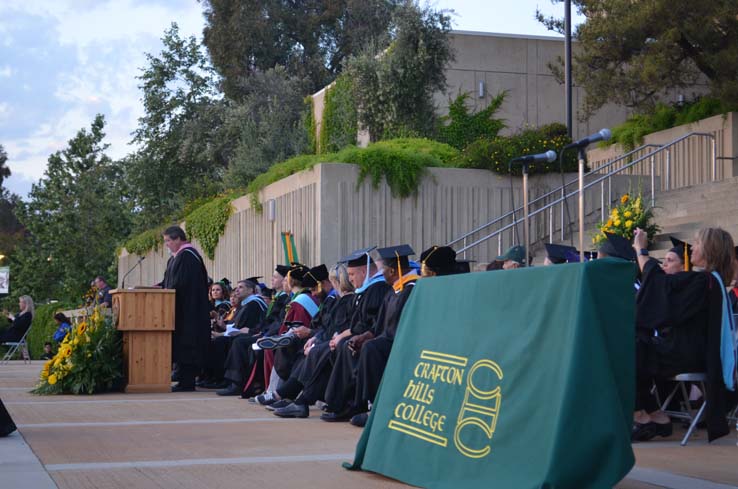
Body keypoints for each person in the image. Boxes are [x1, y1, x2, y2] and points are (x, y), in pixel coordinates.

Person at [632, 226, 737, 442]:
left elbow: (662, 288)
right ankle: (655, 416)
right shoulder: (708, 281)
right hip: (685, 350)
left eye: (697, 244)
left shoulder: (704, 282)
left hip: (686, 354)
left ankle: (643, 414)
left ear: (710, 249)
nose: (693, 248)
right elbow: (664, 287)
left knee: (630, 349)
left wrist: (642, 251)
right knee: (634, 345)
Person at [346, 245, 421, 426]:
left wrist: (372, 340)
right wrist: (364, 336)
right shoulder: (393, 290)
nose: (381, 274)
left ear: (393, 271)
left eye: (384, 270)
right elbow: (380, 326)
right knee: (359, 345)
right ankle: (357, 403)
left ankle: (376, 409)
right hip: (389, 340)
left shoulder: (413, 289)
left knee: (372, 349)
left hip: (405, 343)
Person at [160, 226, 210, 392]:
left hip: (189, 310)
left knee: (187, 344)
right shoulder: (176, 257)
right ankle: (182, 378)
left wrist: (165, 290)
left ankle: (187, 382)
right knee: (181, 343)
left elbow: (180, 284)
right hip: (180, 309)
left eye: (168, 241)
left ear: (178, 239)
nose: (166, 244)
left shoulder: (188, 256)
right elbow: (168, 282)